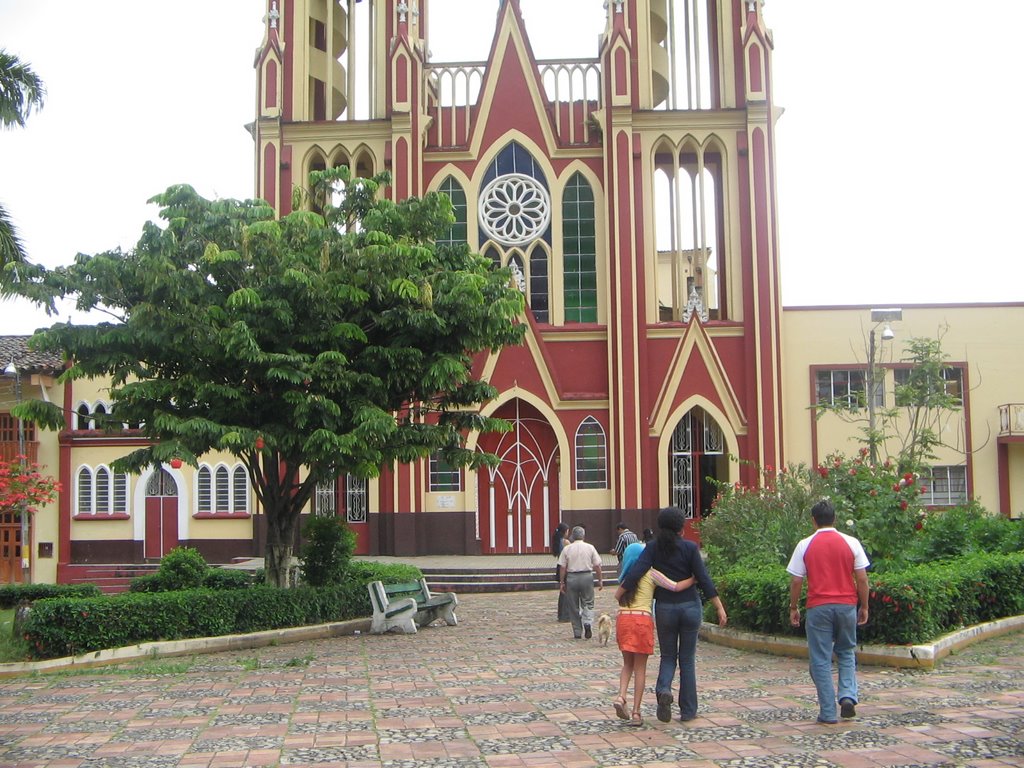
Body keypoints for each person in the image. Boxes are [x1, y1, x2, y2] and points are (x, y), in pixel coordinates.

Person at [619, 506, 727, 723]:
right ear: (681, 528)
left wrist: (622, 593)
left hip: (665, 609)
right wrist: (718, 606)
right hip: (690, 607)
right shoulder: (690, 547)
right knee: (687, 659)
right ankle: (688, 710)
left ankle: (664, 689)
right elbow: (703, 578)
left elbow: (636, 571)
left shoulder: (652, 548)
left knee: (668, 656)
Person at [787, 499, 870, 724]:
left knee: (821, 659)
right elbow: (862, 578)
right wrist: (864, 606)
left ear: (813, 521)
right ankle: (847, 696)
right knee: (846, 651)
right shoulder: (851, 542)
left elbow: (796, 581)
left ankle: (827, 711)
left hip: (818, 607)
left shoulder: (805, 544)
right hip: (846, 606)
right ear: (835, 519)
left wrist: (793, 607)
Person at [613, 550, 694, 727]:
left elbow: (617, 596)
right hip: (642, 619)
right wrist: (694, 578)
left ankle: (621, 696)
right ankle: (636, 713)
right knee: (640, 669)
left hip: (623, 619)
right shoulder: (651, 574)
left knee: (627, 664)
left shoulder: (626, 577)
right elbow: (675, 586)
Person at [557, 526, 603, 639]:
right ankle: (587, 622)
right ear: (583, 535)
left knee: (573, 605)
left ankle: (577, 631)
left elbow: (562, 567)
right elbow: (597, 565)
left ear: (573, 536)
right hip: (586, 576)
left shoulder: (567, 549)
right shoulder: (590, 547)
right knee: (588, 602)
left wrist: (562, 582)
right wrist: (600, 579)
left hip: (572, 577)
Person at [551, 522, 571, 622]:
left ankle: (561, 613)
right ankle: (565, 614)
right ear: (565, 532)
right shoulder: (565, 542)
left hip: (559, 566)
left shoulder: (557, 541)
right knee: (567, 591)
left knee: (562, 591)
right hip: (566, 567)